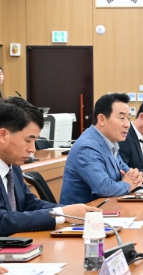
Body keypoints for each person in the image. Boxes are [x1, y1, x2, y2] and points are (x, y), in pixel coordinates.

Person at [0, 97, 99, 236]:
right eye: (28, 140)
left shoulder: (13, 166)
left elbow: (29, 204)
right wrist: (62, 214)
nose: (33, 149)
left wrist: (71, 211)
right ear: (3, 135)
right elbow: (2, 221)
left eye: (35, 141)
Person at [60, 93, 143, 205]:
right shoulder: (86, 147)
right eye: (121, 118)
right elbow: (104, 188)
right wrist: (128, 184)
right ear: (101, 119)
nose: (127, 124)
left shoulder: (110, 143)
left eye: (128, 118)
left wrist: (135, 177)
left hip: (106, 209)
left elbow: (128, 173)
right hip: (83, 214)